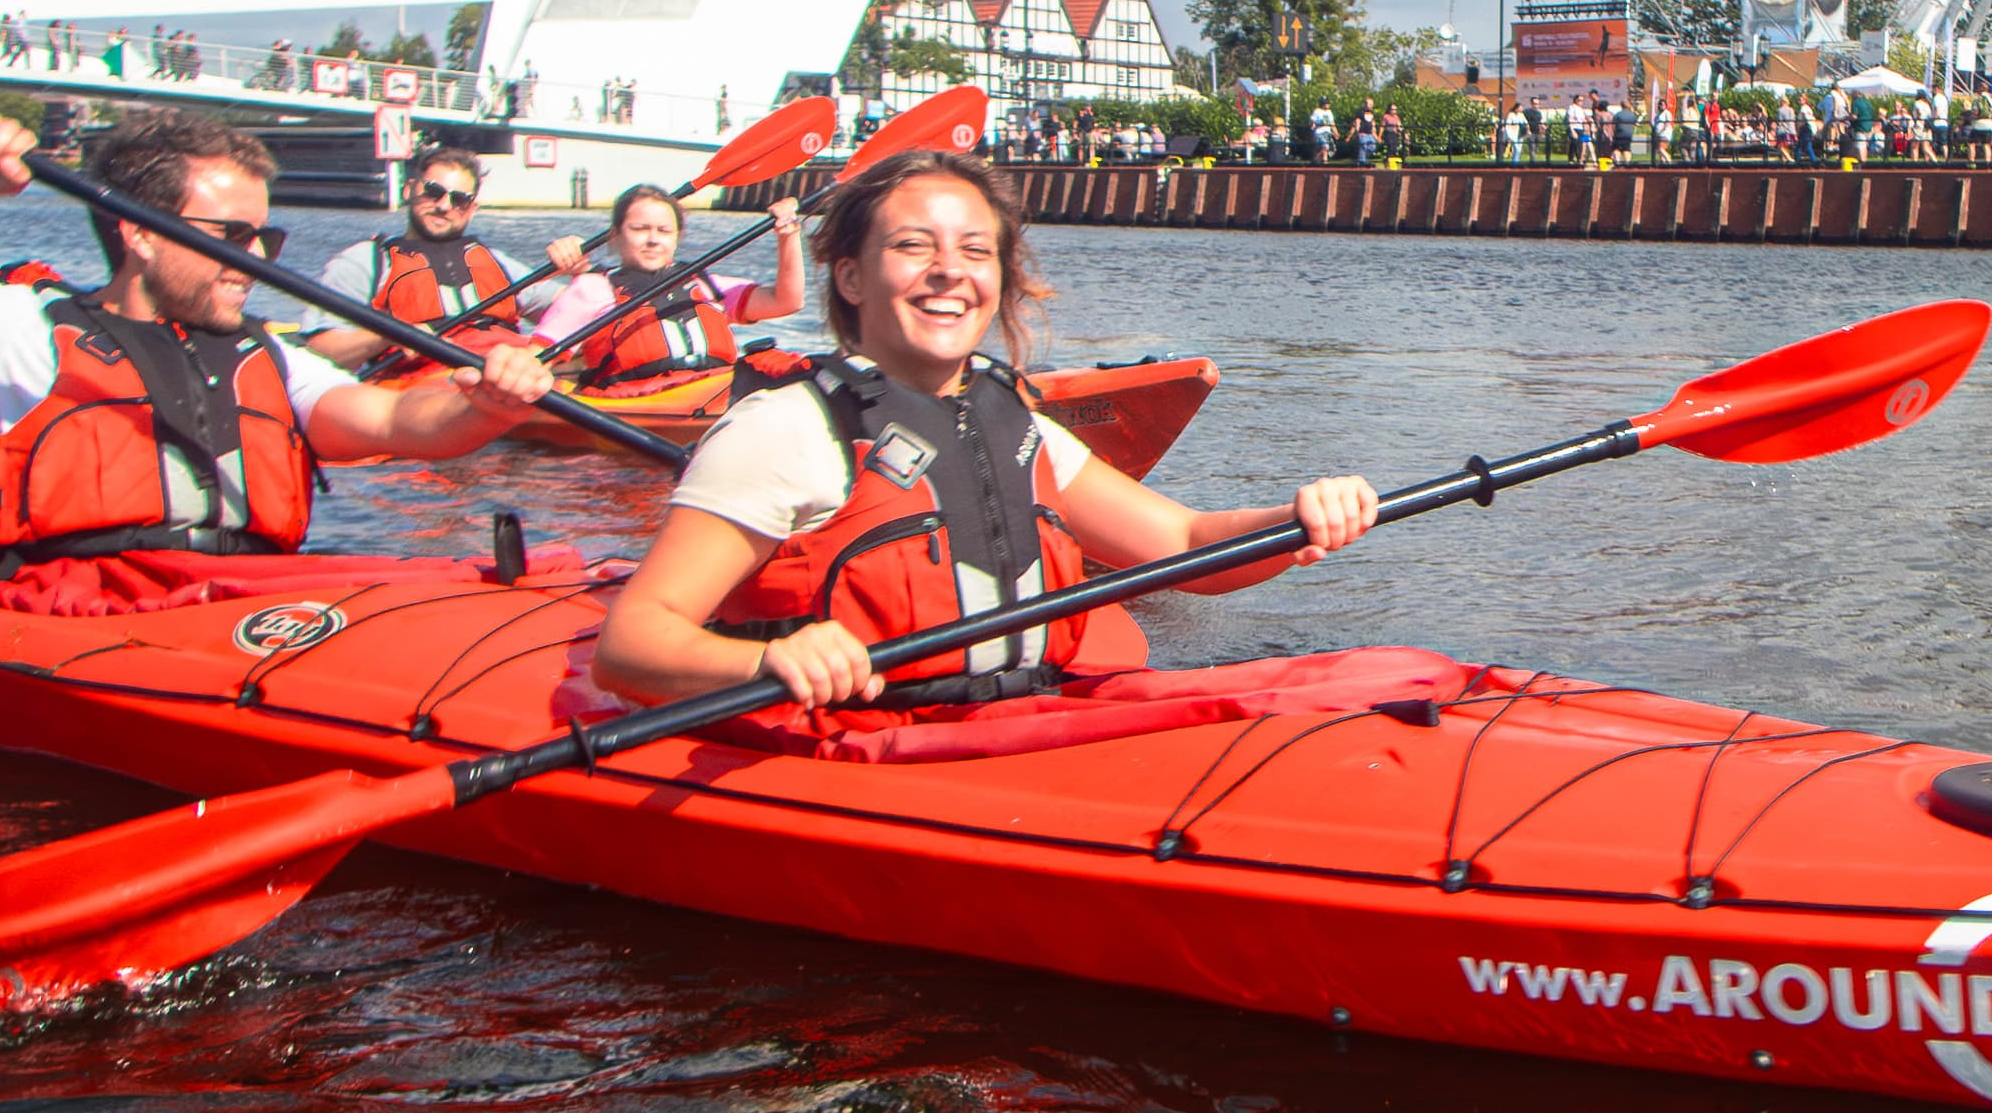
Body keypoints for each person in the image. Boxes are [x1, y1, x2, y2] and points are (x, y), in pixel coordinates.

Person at [594, 150, 1376, 715]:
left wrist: (1296, 521)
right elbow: (631, 645)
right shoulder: (789, 429)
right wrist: (769, 659)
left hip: (1014, 721)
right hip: (856, 746)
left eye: (976, 250)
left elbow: (1184, 543)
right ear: (851, 277)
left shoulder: (1014, 420)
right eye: (913, 246)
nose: (950, 270)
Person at [0, 106, 557, 603]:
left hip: (242, 601)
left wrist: (484, 402)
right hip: (67, 609)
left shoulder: (267, 357)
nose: (257, 260)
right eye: (231, 238)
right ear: (141, 233)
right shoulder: (14, 329)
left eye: (265, 238)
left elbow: (396, 418)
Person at [307, 145, 583, 369]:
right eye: (433, 192)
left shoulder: (498, 262)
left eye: (459, 199)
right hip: (423, 390)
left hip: (509, 371)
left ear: (471, 208)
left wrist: (580, 270)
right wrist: (385, 336)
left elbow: (579, 313)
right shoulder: (364, 262)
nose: (443, 206)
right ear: (409, 190)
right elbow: (319, 353)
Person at [533, 184, 806, 380]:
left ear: (677, 237)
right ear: (614, 236)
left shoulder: (709, 285)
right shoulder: (591, 288)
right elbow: (534, 362)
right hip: (635, 403)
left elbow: (787, 301)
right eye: (639, 229)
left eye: (664, 231)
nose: (653, 239)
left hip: (714, 392)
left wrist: (788, 236)